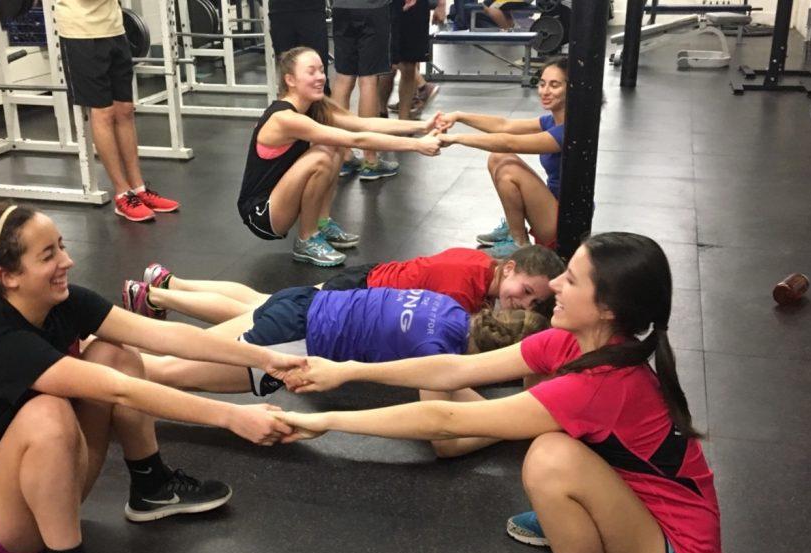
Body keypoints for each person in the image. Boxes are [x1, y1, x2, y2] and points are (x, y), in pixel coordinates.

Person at [276, 232, 722, 553]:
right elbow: (456, 367)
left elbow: (446, 421)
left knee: (551, 458)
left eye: (571, 279)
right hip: (643, 516)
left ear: (607, 309)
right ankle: (577, 521)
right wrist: (349, 370)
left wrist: (327, 420)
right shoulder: (573, 343)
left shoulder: (605, 382)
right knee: (555, 448)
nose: (554, 286)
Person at [0, 204, 302, 553]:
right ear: (8, 276)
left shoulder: (64, 304)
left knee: (117, 352)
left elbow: (166, 336)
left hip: (52, 482)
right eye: (48, 255)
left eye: (62, 247)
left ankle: (151, 486)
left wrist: (269, 358)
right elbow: (117, 391)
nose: (66, 261)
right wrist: (232, 416)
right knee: (47, 410)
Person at [130, 284, 547, 401]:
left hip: (301, 299)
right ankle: (88, 379)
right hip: (292, 339)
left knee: (179, 347)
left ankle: (97, 337)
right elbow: (445, 435)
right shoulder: (436, 354)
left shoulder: (449, 306)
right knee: (170, 375)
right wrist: (511, 423)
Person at [238, 46, 441, 267]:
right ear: (290, 80)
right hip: (262, 214)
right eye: (311, 72)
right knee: (321, 157)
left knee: (330, 149)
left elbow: (365, 124)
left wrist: (423, 125)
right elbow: (357, 140)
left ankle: (321, 224)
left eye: (322, 70)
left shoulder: (314, 107)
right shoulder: (284, 118)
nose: (320, 77)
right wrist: (417, 144)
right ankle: (307, 240)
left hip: (281, 200)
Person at [120, 245, 565, 324]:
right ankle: (155, 296)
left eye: (533, 303)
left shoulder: (482, 265)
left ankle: (168, 281)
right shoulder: (464, 287)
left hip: (367, 279)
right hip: (356, 293)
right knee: (258, 312)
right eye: (525, 291)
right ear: (509, 269)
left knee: (265, 300)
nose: (522, 305)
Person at [56, 0, 178, 222]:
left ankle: (138, 188)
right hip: (81, 33)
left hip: (115, 28)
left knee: (125, 110)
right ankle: (122, 194)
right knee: (103, 112)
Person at [435, 55, 568, 255]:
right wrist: (459, 116)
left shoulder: (568, 130)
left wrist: (456, 139)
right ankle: (514, 229)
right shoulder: (551, 121)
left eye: (554, 85)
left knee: (509, 169)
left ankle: (519, 242)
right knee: (498, 157)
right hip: (549, 208)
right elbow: (504, 125)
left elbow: (509, 142)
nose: (545, 91)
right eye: (542, 84)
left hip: (564, 224)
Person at [331, 0, 415, 180]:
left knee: (343, 78)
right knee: (368, 80)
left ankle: (343, 155)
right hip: (372, 9)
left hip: (341, 7)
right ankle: (370, 160)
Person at [379, 0, 445, 120]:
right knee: (386, 62)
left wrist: (441, 4)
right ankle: (381, 113)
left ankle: (403, 121)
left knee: (409, 63)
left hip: (415, 8)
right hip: (385, 6)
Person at [267, 0, 331, 95]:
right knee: (288, 72)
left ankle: (318, 107)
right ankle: (290, 106)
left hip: (311, 11)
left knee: (315, 69)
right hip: (281, 12)